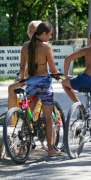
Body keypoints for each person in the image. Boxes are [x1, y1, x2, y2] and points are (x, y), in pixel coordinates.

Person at [20, 22, 63, 157]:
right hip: (44, 83)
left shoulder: (25, 46)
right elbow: (53, 68)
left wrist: (22, 79)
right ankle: (51, 149)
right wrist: (57, 74)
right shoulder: (46, 48)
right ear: (43, 34)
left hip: (31, 83)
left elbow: (22, 67)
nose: (50, 37)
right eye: (49, 34)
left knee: (28, 116)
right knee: (48, 117)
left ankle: (22, 147)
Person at [7, 20, 42, 110]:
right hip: (31, 76)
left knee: (12, 88)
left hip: (39, 77)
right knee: (14, 86)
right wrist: (21, 77)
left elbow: (36, 65)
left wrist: (24, 77)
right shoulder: (28, 45)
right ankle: (12, 115)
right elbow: (23, 66)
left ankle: (11, 117)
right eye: (31, 31)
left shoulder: (40, 46)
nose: (33, 33)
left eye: (35, 31)